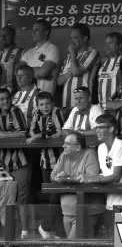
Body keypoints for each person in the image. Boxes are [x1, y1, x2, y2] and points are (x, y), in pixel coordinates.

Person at [85, 114, 122, 236]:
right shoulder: (100, 148)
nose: (97, 131)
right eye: (96, 128)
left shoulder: (121, 145)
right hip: (111, 198)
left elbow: (115, 176)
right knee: (113, 237)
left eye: (100, 127)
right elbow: (105, 173)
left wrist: (91, 179)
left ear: (111, 129)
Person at [26, 91, 64, 240]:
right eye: (41, 104)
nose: (45, 107)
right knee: (52, 197)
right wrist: (41, 135)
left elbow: (59, 132)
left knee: (56, 195)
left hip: (60, 161)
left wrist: (39, 136)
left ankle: (45, 227)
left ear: (53, 103)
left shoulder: (57, 112)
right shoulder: (36, 114)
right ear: (37, 105)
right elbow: (31, 132)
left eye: (47, 103)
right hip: (44, 161)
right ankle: (52, 230)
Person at [51, 132, 102, 239]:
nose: (63, 146)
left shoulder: (89, 154)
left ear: (78, 147)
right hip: (67, 212)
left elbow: (91, 177)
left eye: (67, 144)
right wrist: (59, 178)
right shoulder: (64, 155)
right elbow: (53, 175)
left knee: (72, 243)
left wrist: (68, 178)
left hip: (85, 212)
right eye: (64, 143)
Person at [0, 88, 30, 239]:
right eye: (1, 99)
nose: (5, 101)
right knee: (6, 198)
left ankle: (24, 232)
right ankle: (8, 230)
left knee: (22, 198)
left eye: (7, 98)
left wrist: (3, 135)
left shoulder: (16, 111)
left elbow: (23, 133)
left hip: (20, 161)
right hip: (3, 163)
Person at [58, 23, 100, 116]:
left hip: (83, 105)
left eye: (75, 38)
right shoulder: (69, 56)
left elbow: (76, 72)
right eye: (71, 38)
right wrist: (70, 72)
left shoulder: (92, 52)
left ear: (85, 38)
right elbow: (59, 81)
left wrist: (73, 54)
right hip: (66, 104)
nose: (72, 41)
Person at [19, 19, 60, 94]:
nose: (33, 33)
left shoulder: (53, 49)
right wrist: (38, 71)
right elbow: (18, 71)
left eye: (37, 30)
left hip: (45, 98)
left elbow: (43, 72)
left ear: (46, 32)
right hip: (28, 97)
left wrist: (26, 72)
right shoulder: (29, 52)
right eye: (33, 30)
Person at [97, 32, 122, 109]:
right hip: (101, 107)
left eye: (110, 43)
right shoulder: (103, 62)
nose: (106, 46)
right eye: (106, 43)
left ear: (120, 45)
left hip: (117, 107)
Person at [0, 25, 24, 92]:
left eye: (6, 35)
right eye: (1, 35)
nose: (3, 38)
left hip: (15, 94)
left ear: (14, 37)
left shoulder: (22, 52)